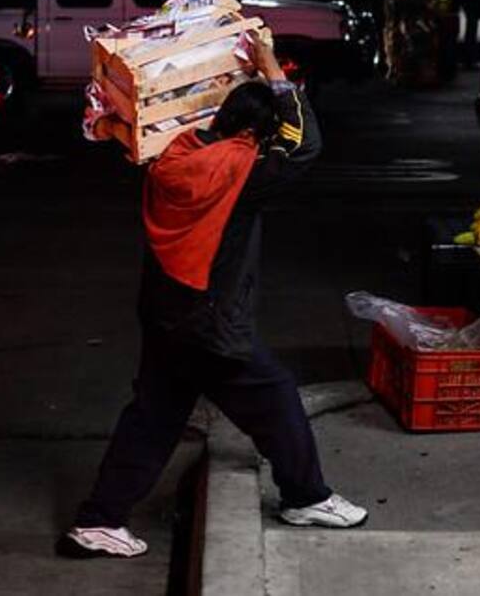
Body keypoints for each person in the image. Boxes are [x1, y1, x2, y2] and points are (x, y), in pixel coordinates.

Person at [58, 38, 367, 560]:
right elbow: (305, 146)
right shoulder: (241, 173)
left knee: (155, 415)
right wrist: (273, 71)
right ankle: (306, 496)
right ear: (252, 134)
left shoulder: (175, 154)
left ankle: (99, 520)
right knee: (275, 398)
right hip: (207, 321)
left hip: (164, 310)